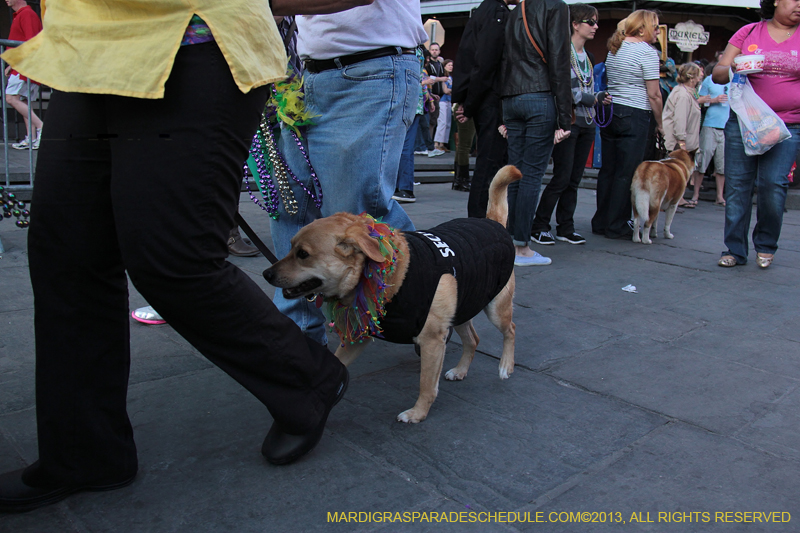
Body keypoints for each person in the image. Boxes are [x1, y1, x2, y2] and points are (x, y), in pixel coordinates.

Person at [0, 0, 373, 514]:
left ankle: (307, 378)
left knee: (173, 257)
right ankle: (86, 453)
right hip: (84, 52)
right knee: (65, 257)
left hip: (195, 45)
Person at [269, 1, 428, 345]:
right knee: (290, 205)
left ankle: (425, 305)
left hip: (370, 70)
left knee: (356, 214)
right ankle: (297, 338)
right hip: (306, 76)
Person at [713, 0, 800, 269]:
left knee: (773, 186)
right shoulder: (749, 32)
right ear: (775, 0)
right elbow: (718, 73)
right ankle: (735, 250)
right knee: (738, 187)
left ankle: (766, 244)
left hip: (788, 125)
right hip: (744, 123)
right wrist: (733, 68)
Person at [530, 3, 610, 246]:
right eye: (591, 22)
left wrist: (597, 98)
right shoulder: (562, 52)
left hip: (587, 122)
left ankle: (566, 226)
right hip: (568, 121)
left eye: (596, 22)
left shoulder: (589, 56)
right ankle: (540, 224)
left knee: (574, 178)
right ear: (575, 24)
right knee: (561, 176)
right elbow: (562, 89)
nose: (596, 27)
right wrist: (592, 98)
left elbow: (587, 86)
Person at [500, 0, 572, 266]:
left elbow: (504, 58)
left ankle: (511, 240)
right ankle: (521, 247)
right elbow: (559, 59)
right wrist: (565, 115)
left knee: (517, 173)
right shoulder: (556, 6)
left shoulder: (515, 10)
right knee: (531, 174)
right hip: (539, 95)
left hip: (512, 97)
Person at [591, 10, 663, 240]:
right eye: (656, 25)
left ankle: (601, 221)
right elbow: (654, 94)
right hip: (635, 112)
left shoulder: (615, 48)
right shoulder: (647, 52)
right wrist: (660, 122)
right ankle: (617, 224)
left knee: (609, 170)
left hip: (612, 110)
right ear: (642, 28)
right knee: (627, 172)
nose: (658, 30)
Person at [452, 0, 516, 218]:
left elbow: (471, 56)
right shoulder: (496, 12)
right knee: (489, 163)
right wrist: (468, 104)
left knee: (489, 162)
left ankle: (480, 222)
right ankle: (479, 223)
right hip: (490, 97)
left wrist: (466, 100)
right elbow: (485, 60)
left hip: (483, 95)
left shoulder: (484, 10)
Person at [4, 0, 43, 151]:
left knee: (11, 98)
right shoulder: (23, 14)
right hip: (23, 66)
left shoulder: (27, 14)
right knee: (23, 103)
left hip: (25, 67)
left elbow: (31, 42)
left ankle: (41, 128)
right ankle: (31, 138)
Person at [692, 70, 730, 206]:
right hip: (710, 125)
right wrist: (714, 100)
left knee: (722, 164)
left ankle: (720, 197)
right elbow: (699, 101)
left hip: (727, 127)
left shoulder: (736, 80)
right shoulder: (709, 80)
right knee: (702, 160)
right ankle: (695, 194)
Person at [394, 50, 427, 204]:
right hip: (413, 102)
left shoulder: (411, 50)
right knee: (403, 147)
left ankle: (405, 188)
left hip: (409, 102)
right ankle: (401, 187)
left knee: (404, 147)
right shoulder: (417, 50)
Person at [433, 59, 454, 153]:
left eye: (452, 65)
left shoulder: (451, 77)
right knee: (442, 122)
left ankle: (443, 143)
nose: (451, 67)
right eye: (449, 65)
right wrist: (452, 91)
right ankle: (436, 143)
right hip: (443, 100)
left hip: (449, 101)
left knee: (448, 123)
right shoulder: (443, 77)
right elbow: (445, 90)